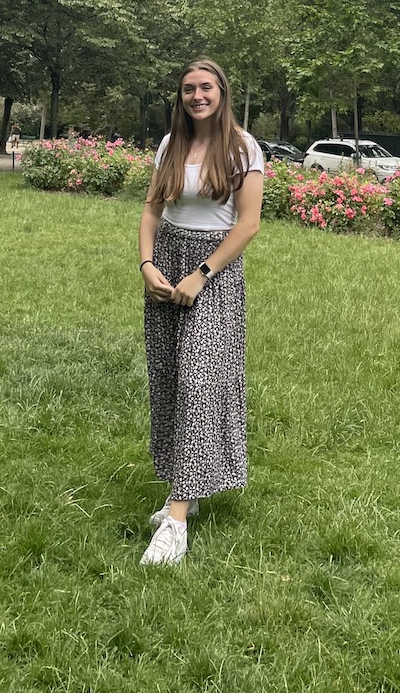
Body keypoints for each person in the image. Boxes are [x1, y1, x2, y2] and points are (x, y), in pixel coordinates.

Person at [137, 58, 264, 567]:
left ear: (221, 91)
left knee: (200, 382)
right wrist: (146, 264)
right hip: (166, 262)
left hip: (213, 272)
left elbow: (248, 224)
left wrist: (202, 273)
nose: (197, 96)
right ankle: (181, 489)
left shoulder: (243, 147)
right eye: (189, 89)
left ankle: (177, 520)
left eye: (205, 87)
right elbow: (151, 209)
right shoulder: (171, 144)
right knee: (169, 378)